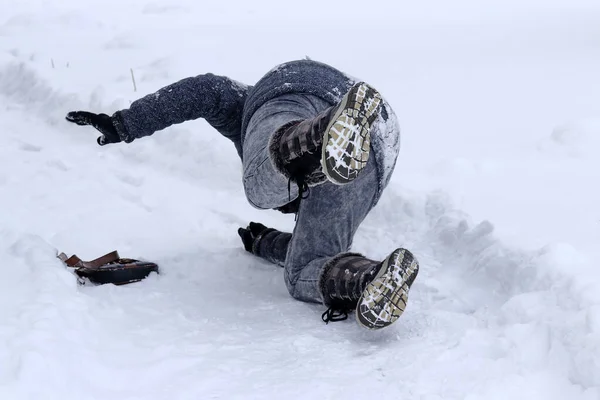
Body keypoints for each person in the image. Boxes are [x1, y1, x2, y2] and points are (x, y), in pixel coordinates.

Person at [65, 58, 419, 330]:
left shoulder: (243, 105)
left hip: (292, 88)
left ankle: (320, 131)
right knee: (302, 273)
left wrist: (125, 123)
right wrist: (264, 243)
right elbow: (298, 246)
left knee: (261, 188)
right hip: (380, 144)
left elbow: (206, 90)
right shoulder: (336, 169)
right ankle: (371, 280)